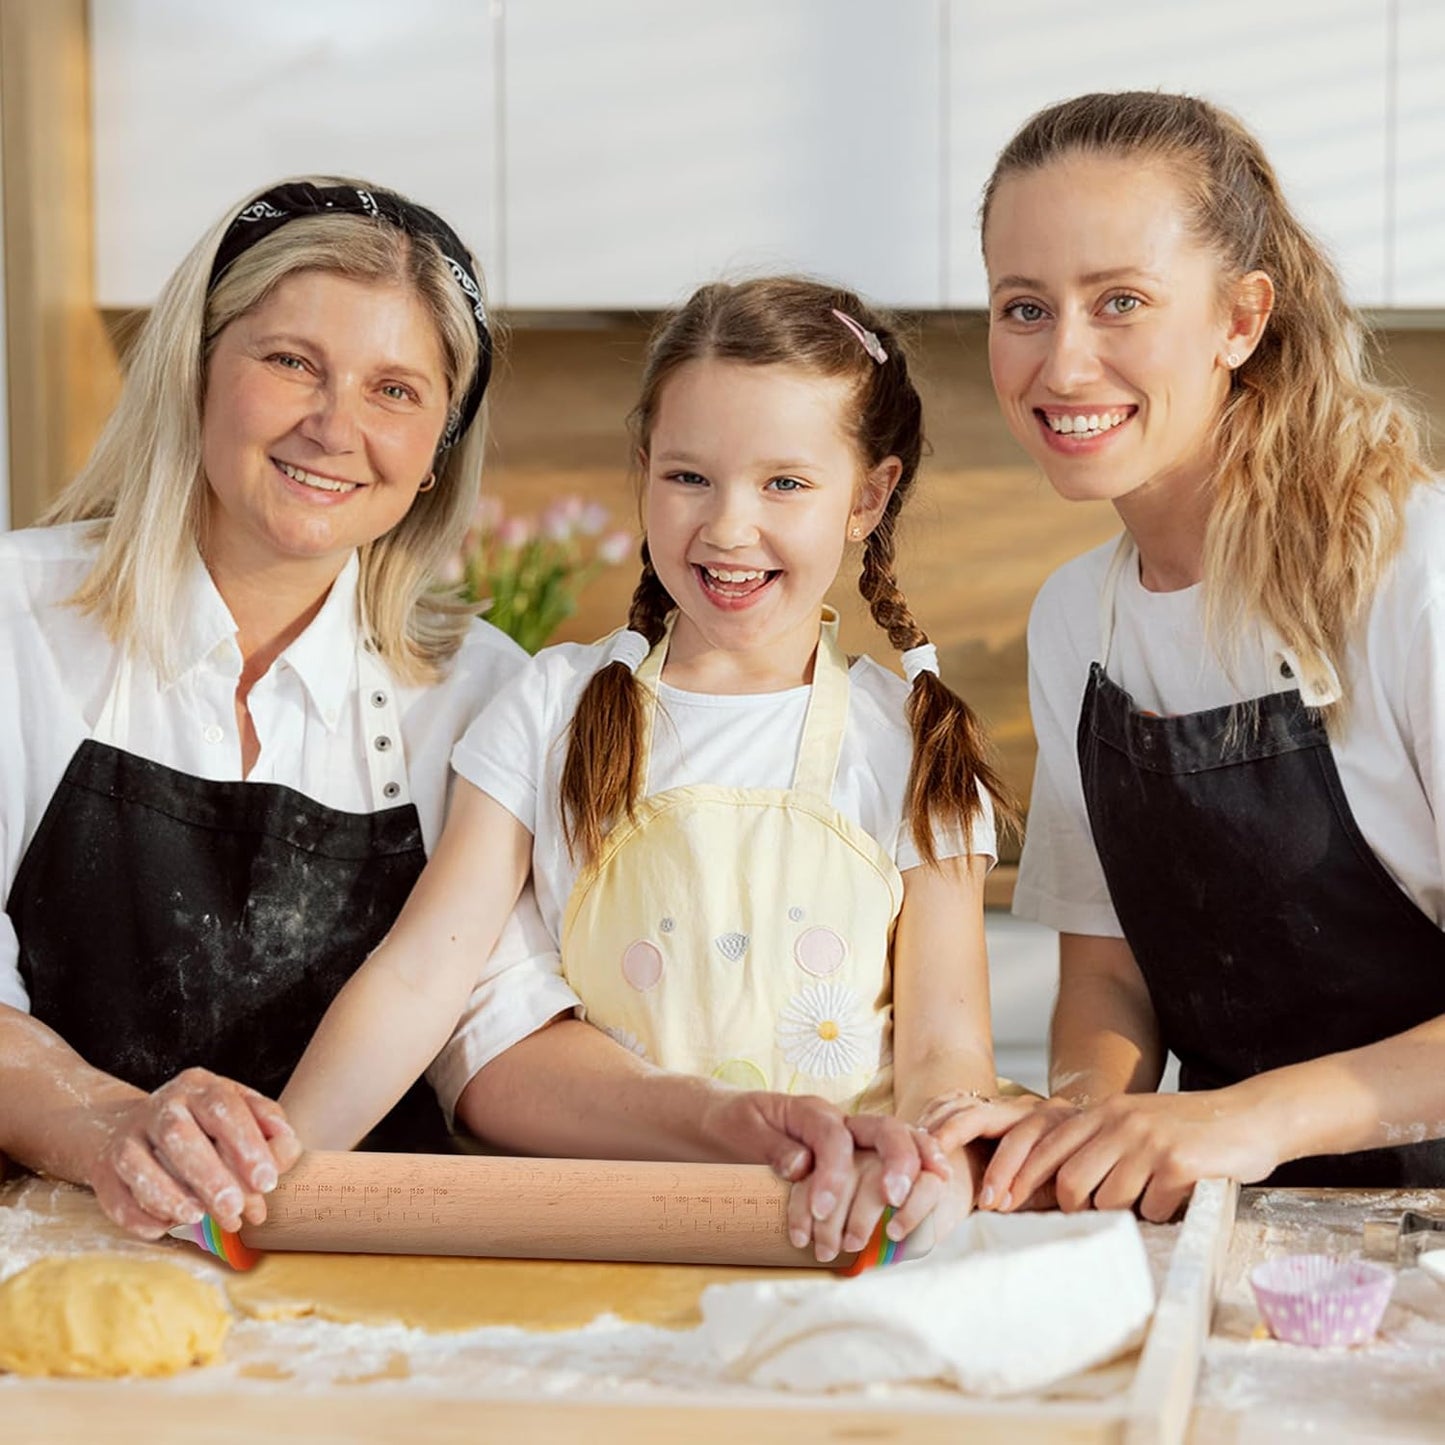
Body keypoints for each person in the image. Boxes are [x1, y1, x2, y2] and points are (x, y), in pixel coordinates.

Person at [281, 277, 1014, 1261]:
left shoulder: (911, 743)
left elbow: (942, 1050)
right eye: (688, 477)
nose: (726, 526)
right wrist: (278, 1161)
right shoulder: (548, 708)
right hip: (588, 1234)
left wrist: (921, 1166)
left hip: (822, 1234)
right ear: (641, 471)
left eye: (784, 483)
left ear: (867, 498)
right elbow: (423, 976)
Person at [0, 176, 550, 1240]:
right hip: (45, 1269)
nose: (334, 426)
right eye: (291, 361)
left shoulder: (480, 690)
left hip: (358, 1293)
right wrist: (118, 1121)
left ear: (440, 449)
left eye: (395, 390)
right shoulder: (16, 622)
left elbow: (497, 1031)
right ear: (195, 370)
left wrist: (737, 1126)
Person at [927, 90, 1445, 1218]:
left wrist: (1242, 1116)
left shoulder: (1412, 574)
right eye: (1022, 307)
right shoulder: (1078, 620)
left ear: (1238, 319)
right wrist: (1068, 1121)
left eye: (1119, 301)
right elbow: (1108, 975)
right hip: (1229, 1235)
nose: (1062, 364)